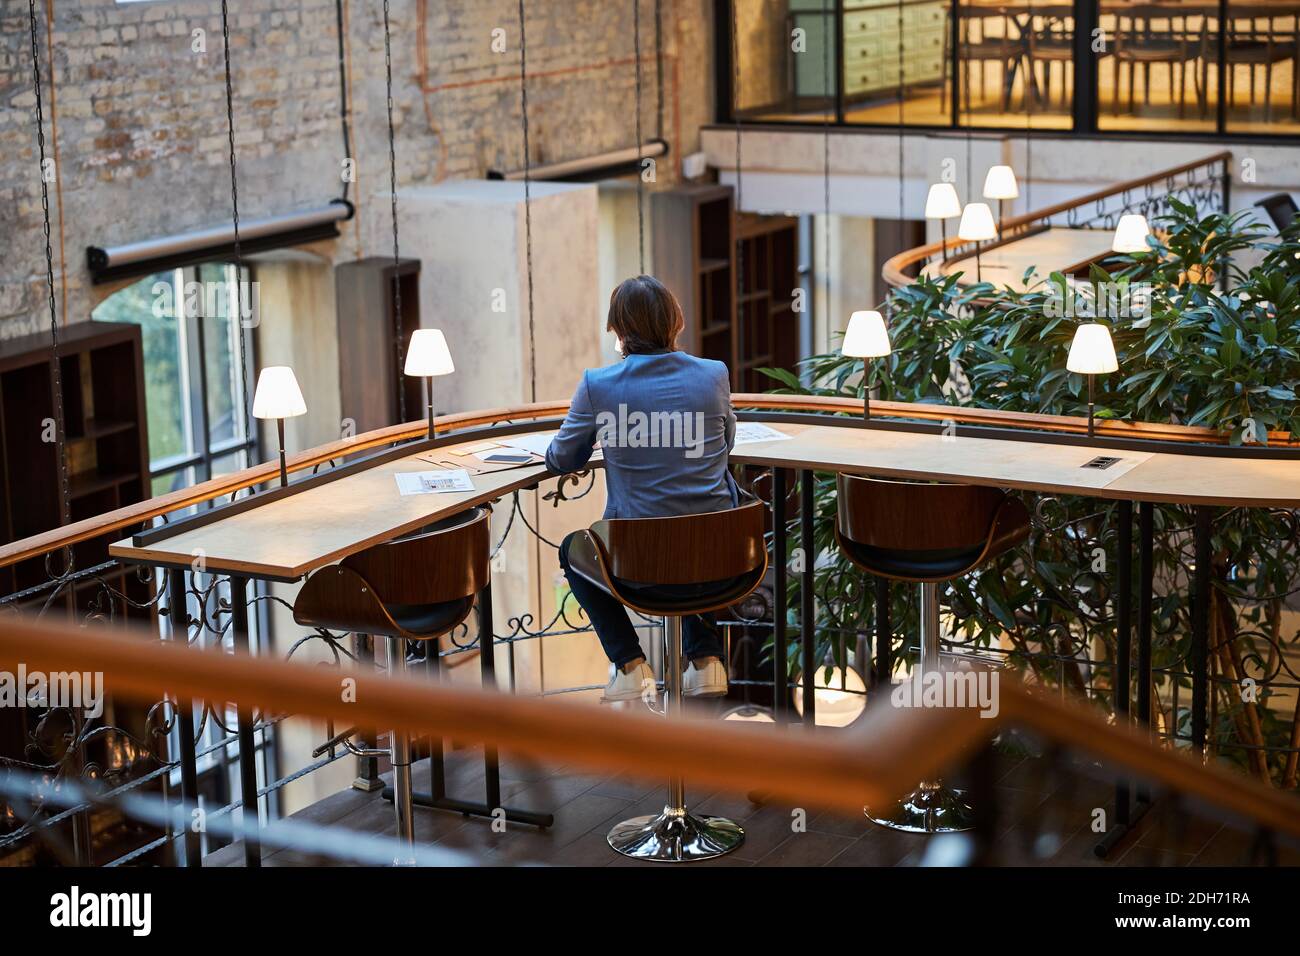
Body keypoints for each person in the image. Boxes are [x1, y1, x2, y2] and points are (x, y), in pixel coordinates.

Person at [546, 275, 738, 702]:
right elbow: (725, 443)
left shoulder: (599, 385)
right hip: (721, 563)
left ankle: (630, 664)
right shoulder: (713, 375)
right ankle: (706, 659)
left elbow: (561, 458)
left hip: (639, 571)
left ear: (619, 330)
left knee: (572, 549)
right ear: (675, 322)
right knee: (694, 520)